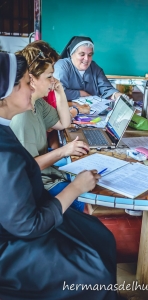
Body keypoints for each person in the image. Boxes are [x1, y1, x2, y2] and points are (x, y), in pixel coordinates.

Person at [0, 52, 117, 299]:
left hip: (28, 216)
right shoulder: (4, 152)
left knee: (100, 234)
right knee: (95, 274)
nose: (31, 88)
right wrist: (75, 188)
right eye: (24, 83)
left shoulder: (6, 129)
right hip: (12, 246)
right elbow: (27, 226)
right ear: (4, 94)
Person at [10, 42, 88, 212]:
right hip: (38, 181)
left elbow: (63, 123)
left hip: (46, 171)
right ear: (32, 78)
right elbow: (30, 168)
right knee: (79, 198)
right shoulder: (22, 117)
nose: (54, 81)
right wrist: (64, 150)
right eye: (49, 76)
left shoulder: (37, 103)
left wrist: (60, 91)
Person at [53, 36, 123, 111]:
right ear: (71, 54)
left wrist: (117, 96)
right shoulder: (61, 66)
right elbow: (57, 92)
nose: (86, 59)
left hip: (92, 114)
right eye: (82, 54)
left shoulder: (94, 68)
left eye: (90, 55)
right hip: (67, 113)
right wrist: (80, 93)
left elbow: (107, 89)